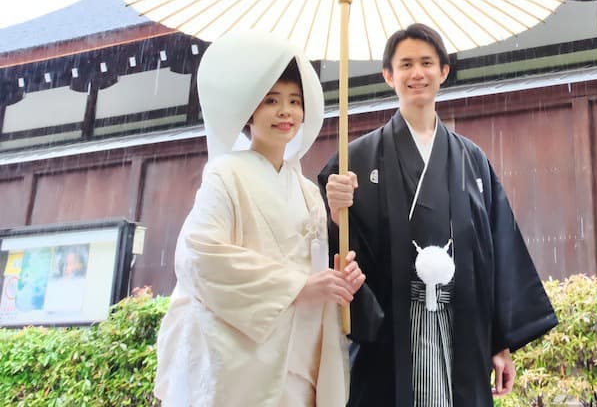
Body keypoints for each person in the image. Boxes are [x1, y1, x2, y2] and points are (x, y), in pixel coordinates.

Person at [319, 23, 557, 407]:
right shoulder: (355, 160)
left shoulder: (472, 160)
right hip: (389, 336)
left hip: (462, 333)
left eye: (427, 63)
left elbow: (495, 251)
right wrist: (334, 212)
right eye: (406, 64)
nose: (417, 73)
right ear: (388, 75)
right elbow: (336, 251)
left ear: (444, 71)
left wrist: (499, 343)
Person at [155, 29, 365, 407]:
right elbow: (200, 256)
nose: (286, 112)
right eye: (272, 100)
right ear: (250, 111)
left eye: (294, 101)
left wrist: (337, 277)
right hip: (240, 354)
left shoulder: (308, 193)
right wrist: (297, 286)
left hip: (299, 353)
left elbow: (315, 273)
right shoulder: (225, 174)